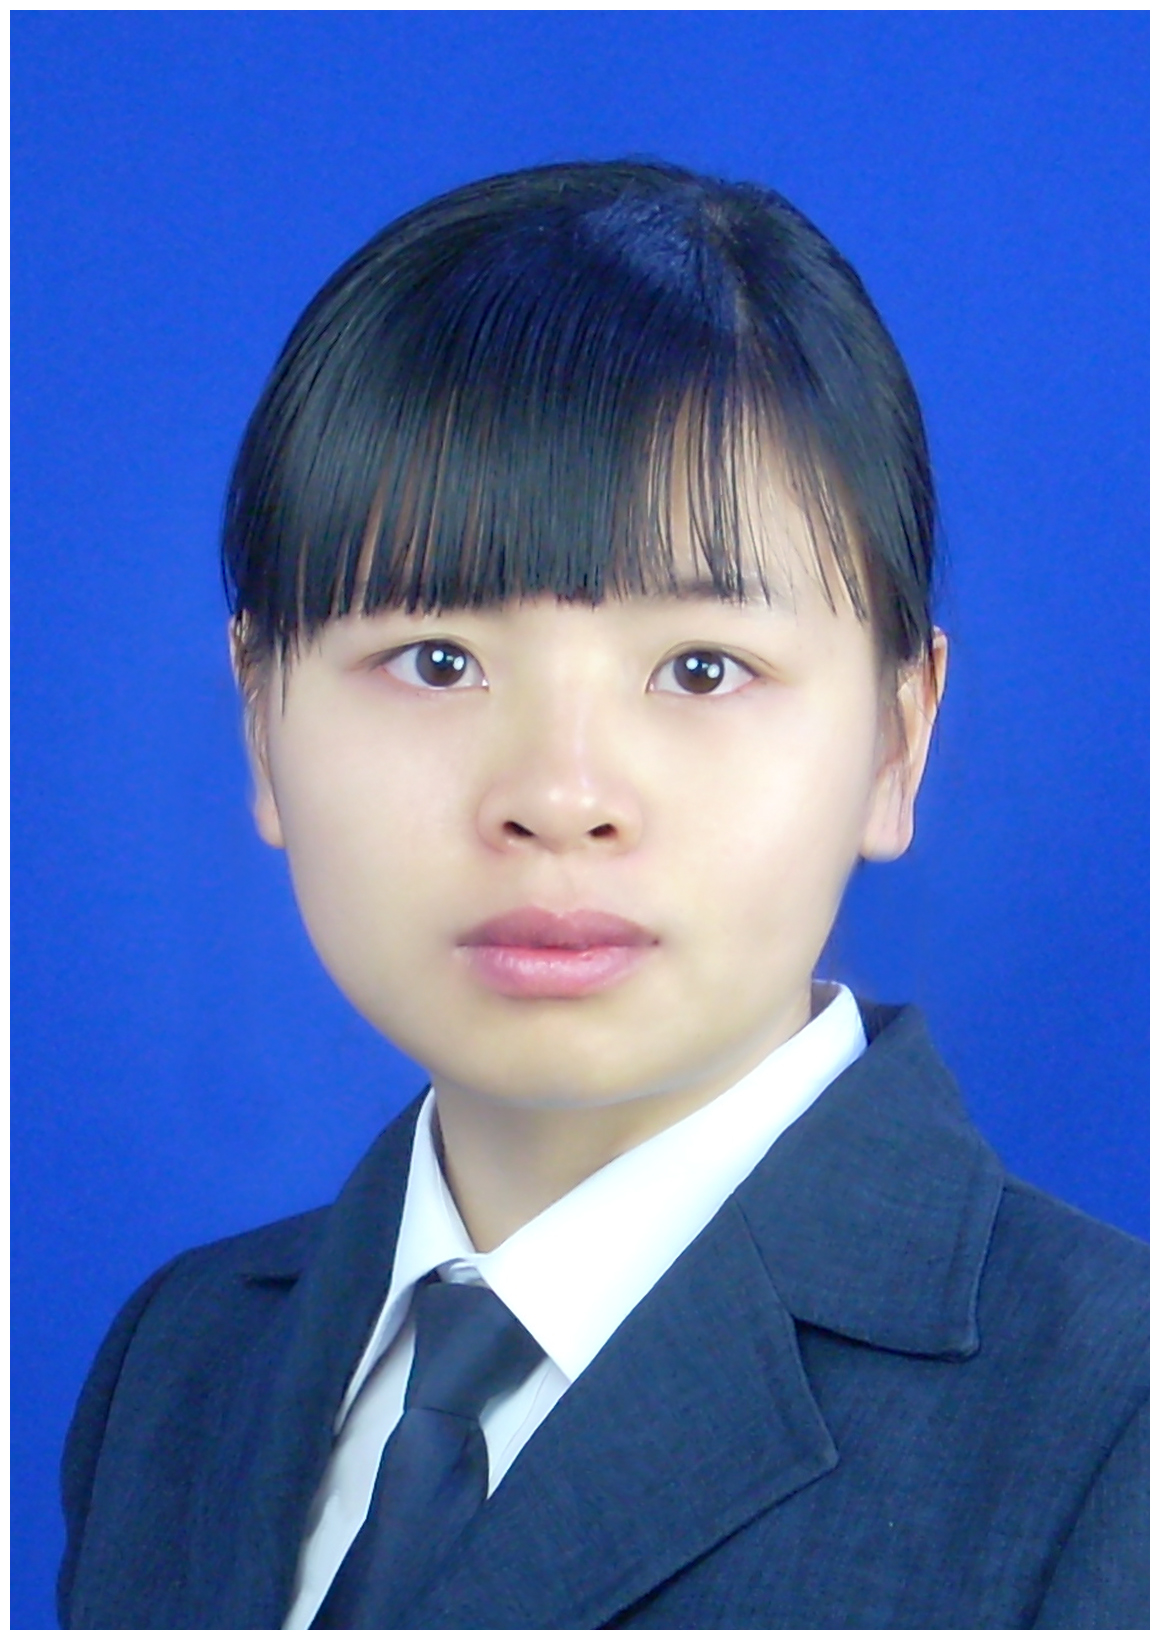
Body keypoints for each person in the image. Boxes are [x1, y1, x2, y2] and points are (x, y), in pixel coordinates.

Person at [58, 159, 1147, 1630]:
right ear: (261, 722)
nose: (560, 796)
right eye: (437, 660)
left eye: (701, 669)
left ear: (897, 742)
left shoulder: (1112, 1421)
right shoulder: (180, 1363)